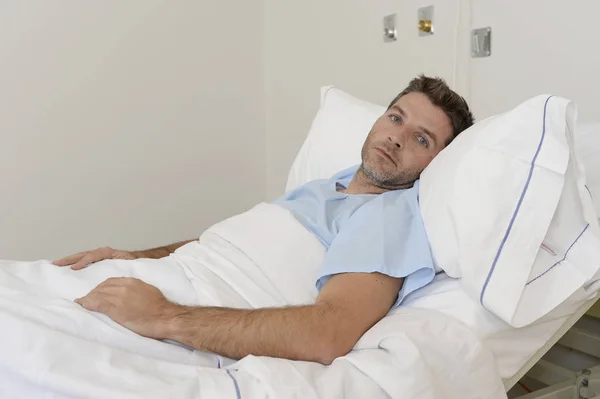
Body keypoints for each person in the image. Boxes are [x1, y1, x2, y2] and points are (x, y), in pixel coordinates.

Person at [53, 75, 474, 365]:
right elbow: (228, 245)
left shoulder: (388, 217)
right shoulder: (330, 185)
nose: (395, 137)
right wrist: (134, 256)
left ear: (436, 164)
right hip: (159, 278)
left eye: (422, 139)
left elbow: (330, 332)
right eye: (395, 117)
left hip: (184, 316)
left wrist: (163, 316)